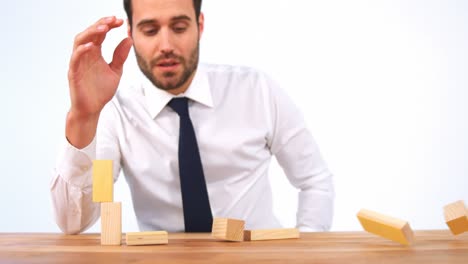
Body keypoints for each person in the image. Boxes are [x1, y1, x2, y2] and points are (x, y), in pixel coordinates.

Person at [51, 0, 334, 234]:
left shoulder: (257, 90)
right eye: (149, 30)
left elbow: (314, 180)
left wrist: (305, 250)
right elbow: (74, 222)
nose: (166, 45)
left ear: (199, 26)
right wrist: (83, 116)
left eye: (179, 27)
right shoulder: (116, 113)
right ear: (131, 34)